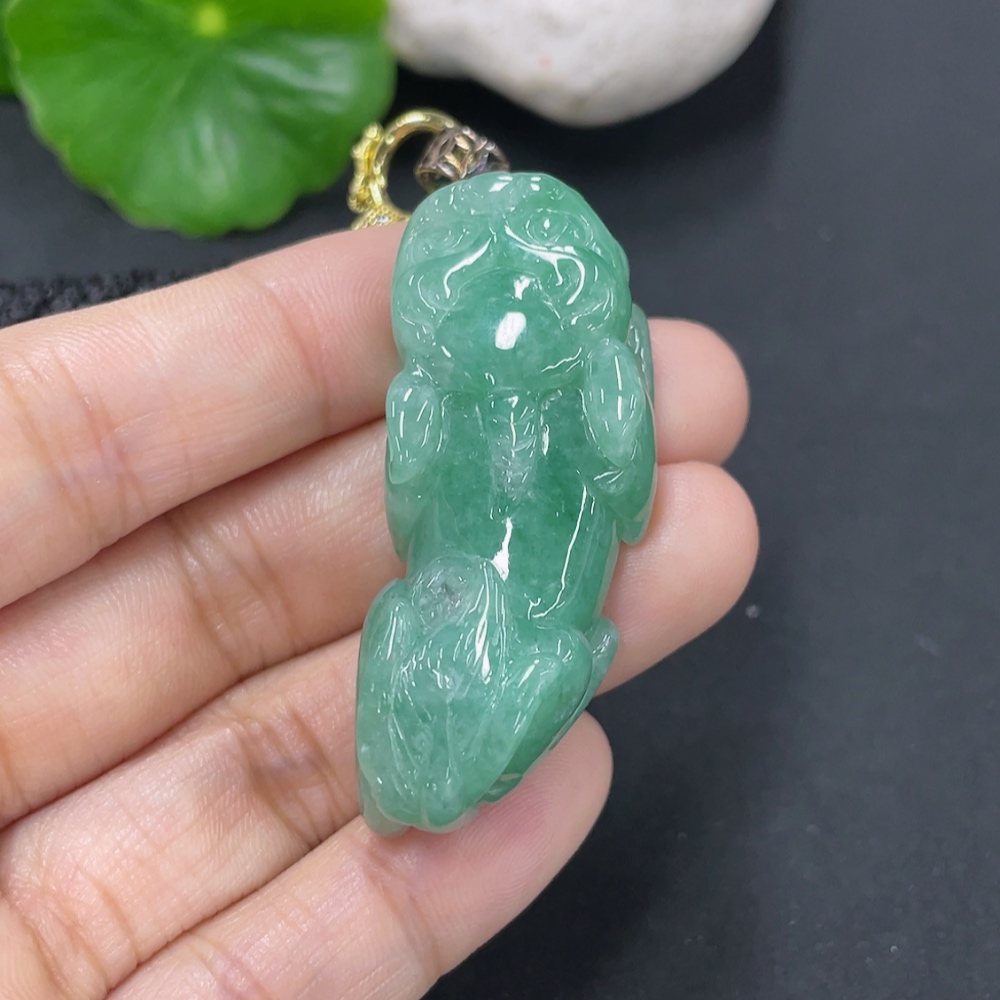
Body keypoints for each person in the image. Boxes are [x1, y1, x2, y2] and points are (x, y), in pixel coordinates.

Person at [0, 223, 756, 999]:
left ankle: (444, 766)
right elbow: (601, 507)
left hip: (516, 611)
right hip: (471, 603)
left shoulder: (572, 373)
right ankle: (420, 773)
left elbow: (617, 503)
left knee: (529, 655)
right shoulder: (456, 387)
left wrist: (612, 405)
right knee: (456, 640)